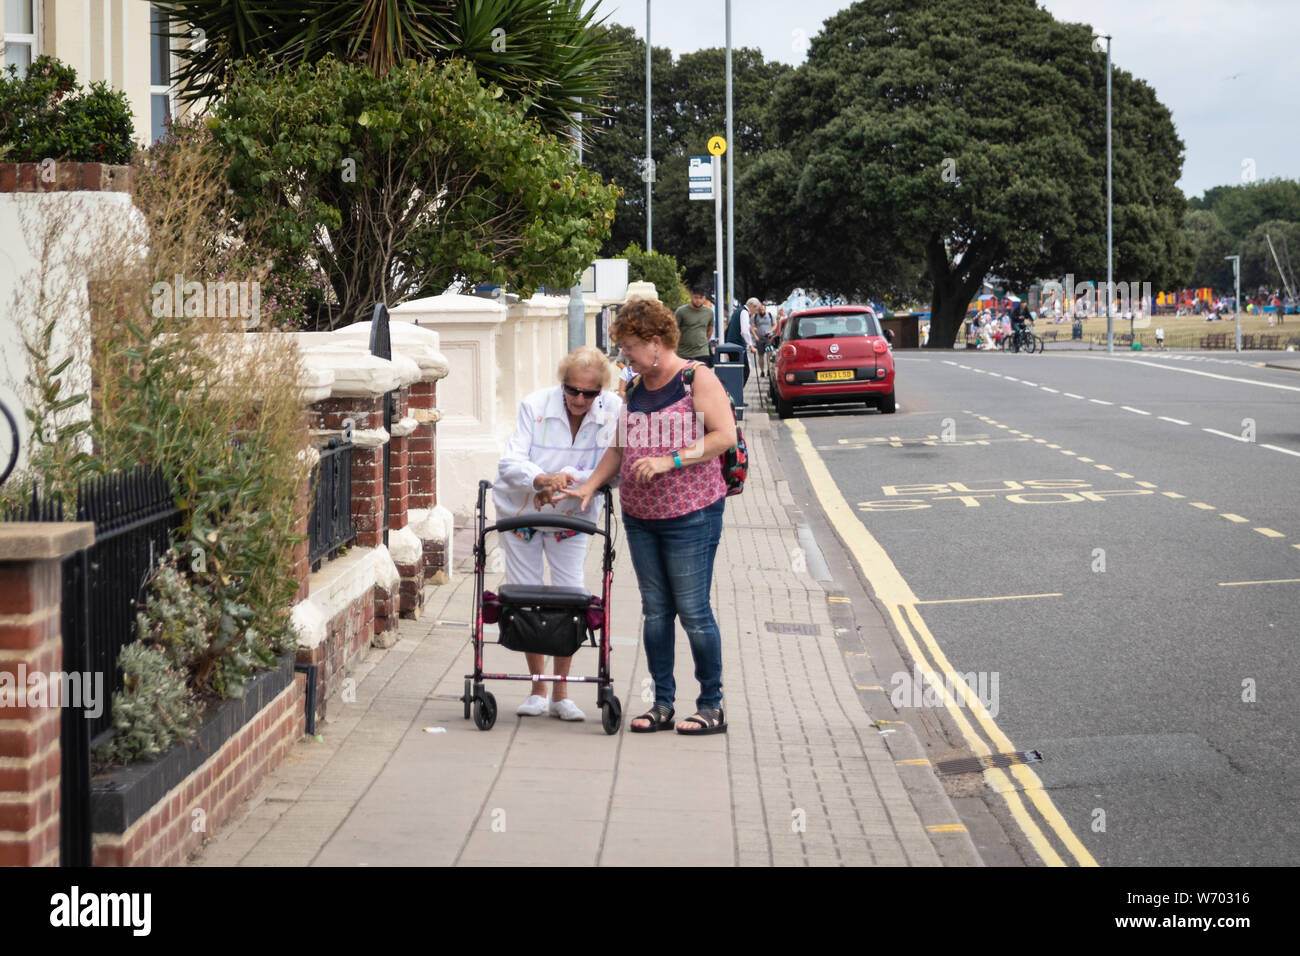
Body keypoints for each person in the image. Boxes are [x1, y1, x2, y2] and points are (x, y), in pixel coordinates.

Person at [559, 298, 736, 736]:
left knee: (693, 610)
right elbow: (618, 449)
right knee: (656, 612)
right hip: (641, 516)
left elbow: (723, 436)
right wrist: (588, 485)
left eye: (631, 348)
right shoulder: (635, 389)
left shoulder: (697, 378)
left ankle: (711, 704)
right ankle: (662, 703)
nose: (624, 358)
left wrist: (669, 461)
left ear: (656, 343)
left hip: (691, 514)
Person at [492, 346, 623, 722]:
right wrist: (541, 478)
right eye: (572, 390)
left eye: (589, 393)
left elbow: (613, 469)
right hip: (523, 512)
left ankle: (561, 694)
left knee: (570, 597)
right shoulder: (535, 405)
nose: (579, 399)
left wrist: (572, 478)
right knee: (526, 595)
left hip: (574, 516)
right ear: (562, 383)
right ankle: (537, 687)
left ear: (601, 391)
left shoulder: (613, 410)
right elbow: (509, 462)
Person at [675, 285, 715, 367]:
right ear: (691, 296)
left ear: (704, 298)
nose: (698, 300)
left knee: (701, 377)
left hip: (702, 351)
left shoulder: (709, 312)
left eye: (701, 298)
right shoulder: (681, 311)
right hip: (684, 352)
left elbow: (710, 330)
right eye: (696, 297)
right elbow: (674, 330)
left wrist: (703, 341)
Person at [724, 298, 757, 386]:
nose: (755, 313)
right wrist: (751, 345)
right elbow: (744, 331)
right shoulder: (744, 312)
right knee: (745, 371)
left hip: (732, 345)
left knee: (736, 372)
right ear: (752, 306)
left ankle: (734, 394)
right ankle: (736, 394)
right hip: (737, 346)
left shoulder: (738, 311)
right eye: (755, 310)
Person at [749, 300, 776, 377]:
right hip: (759, 339)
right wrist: (755, 336)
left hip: (768, 339)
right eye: (760, 309)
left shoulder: (770, 315)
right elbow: (752, 327)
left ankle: (768, 370)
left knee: (769, 354)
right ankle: (762, 371)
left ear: (765, 309)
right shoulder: (755, 316)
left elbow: (775, 325)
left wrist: (770, 331)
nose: (761, 310)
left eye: (763, 309)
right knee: (760, 356)